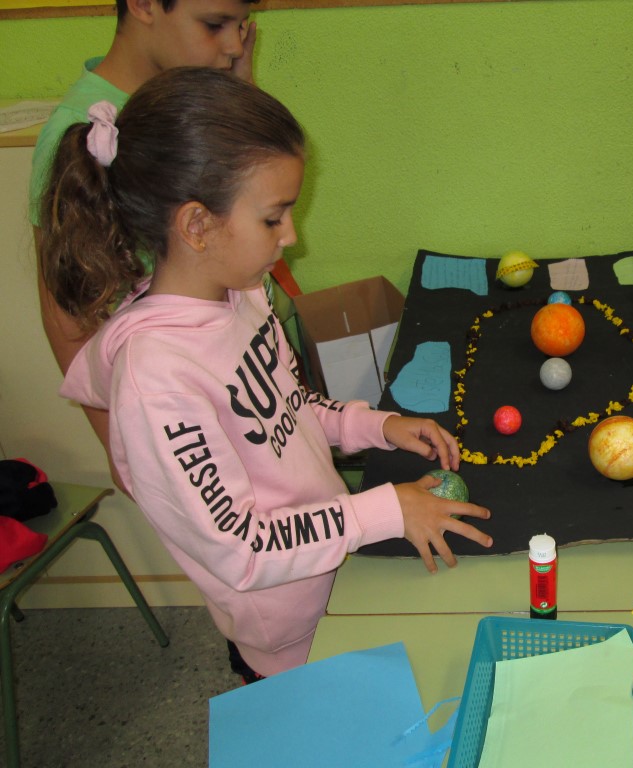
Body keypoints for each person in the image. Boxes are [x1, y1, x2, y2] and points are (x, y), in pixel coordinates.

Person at [38, 66, 494, 682]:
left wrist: (374, 426)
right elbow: (241, 546)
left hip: (336, 569)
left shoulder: (241, 293)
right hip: (287, 634)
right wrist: (384, 511)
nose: (292, 236)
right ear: (197, 226)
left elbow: (288, 408)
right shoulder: (158, 380)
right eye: (274, 218)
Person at [30, 0, 260, 492]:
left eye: (241, 25)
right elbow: (68, 316)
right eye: (214, 24)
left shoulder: (186, 94)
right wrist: (117, 443)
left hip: (240, 383)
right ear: (142, 5)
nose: (235, 46)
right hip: (177, 413)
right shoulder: (84, 130)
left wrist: (236, 96)